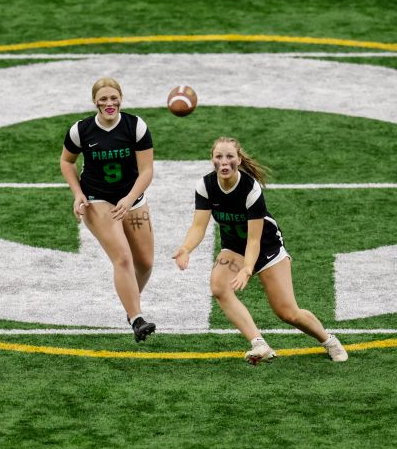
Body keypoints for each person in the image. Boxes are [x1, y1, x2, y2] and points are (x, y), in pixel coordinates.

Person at [173, 136, 348, 364]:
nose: (224, 162)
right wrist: (186, 248)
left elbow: (254, 240)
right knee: (219, 287)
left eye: (229, 157)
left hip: (267, 247)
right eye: (219, 157)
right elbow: (198, 226)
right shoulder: (205, 186)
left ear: (238, 159)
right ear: (212, 160)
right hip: (235, 247)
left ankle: (329, 340)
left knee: (287, 312)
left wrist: (247, 269)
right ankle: (259, 343)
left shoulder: (250, 188)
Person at [60, 77, 156, 341]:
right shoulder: (81, 130)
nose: (109, 103)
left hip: (132, 198)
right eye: (103, 99)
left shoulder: (135, 126)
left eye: (113, 98)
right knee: (122, 258)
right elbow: (67, 161)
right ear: (94, 102)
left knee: (145, 262)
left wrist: (129, 199)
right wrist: (77, 193)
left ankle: (130, 307)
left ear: (121, 99)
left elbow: (147, 170)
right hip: (97, 198)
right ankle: (137, 319)